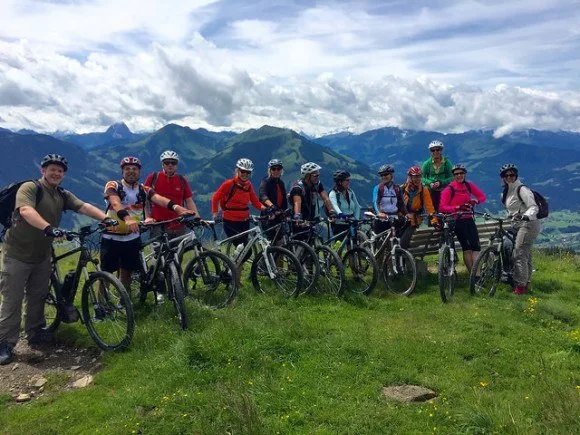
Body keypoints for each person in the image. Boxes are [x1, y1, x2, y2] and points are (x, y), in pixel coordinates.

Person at [0, 154, 117, 365]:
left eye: (60, 171)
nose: (56, 173)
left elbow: (83, 206)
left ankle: (35, 333)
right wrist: (48, 228)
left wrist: (106, 218)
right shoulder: (29, 188)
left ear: (63, 175)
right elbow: (25, 210)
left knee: (38, 295)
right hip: (17, 253)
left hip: (42, 254)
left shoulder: (62, 194)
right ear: (43, 170)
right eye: (52, 169)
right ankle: (5, 343)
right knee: (12, 298)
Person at [102, 156, 193, 301]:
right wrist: (127, 218)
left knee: (126, 272)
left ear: (139, 172)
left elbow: (158, 198)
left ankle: (124, 302)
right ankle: (100, 306)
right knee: (106, 273)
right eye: (127, 169)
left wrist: (177, 208)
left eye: (134, 169)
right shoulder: (114, 185)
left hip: (132, 237)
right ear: (122, 171)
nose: (131, 171)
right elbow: (115, 203)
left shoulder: (143, 189)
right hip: (111, 236)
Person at [212, 158, 267, 281]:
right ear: (237, 171)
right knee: (244, 251)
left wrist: (266, 209)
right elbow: (215, 197)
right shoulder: (229, 184)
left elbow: (255, 201)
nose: (245, 174)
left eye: (248, 172)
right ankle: (232, 273)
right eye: (243, 171)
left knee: (244, 250)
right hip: (230, 221)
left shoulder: (248, 185)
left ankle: (235, 278)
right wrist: (215, 214)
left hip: (244, 221)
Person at [499, 163, 541, 295]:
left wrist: (525, 216)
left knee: (519, 254)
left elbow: (533, 207)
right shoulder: (507, 190)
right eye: (506, 175)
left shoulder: (521, 189)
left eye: (511, 174)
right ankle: (525, 281)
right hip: (516, 225)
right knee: (524, 254)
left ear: (516, 175)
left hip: (528, 224)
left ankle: (520, 287)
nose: (509, 177)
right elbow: (512, 209)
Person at [438, 164, 486, 272]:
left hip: (469, 218)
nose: (459, 175)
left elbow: (482, 196)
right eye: (456, 174)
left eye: (461, 173)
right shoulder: (450, 189)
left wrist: (475, 201)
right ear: (453, 175)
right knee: (467, 247)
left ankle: (476, 275)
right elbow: (442, 207)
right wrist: (457, 208)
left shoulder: (468, 186)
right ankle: (473, 275)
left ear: (464, 174)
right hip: (457, 220)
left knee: (476, 247)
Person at [143, 150, 200, 239]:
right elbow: (144, 199)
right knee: (160, 252)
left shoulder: (182, 180)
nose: (170, 165)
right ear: (162, 164)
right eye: (167, 162)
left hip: (179, 224)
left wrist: (197, 217)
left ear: (176, 165)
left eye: (173, 163)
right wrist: (147, 217)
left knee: (179, 251)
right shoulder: (153, 177)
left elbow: (189, 200)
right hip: (158, 224)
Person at [289, 162, 337, 239]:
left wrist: (331, 211)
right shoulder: (298, 187)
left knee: (313, 242)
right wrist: (298, 217)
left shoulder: (317, 184)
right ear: (307, 176)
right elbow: (297, 202)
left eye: (318, 175)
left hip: (312, 219)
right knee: (301, 246)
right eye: (315, 175)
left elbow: (325, 198)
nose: (318, 177)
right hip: (300, 221)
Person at [399, 166, 438, 249]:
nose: (418, 179)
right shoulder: (403, 188)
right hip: (401, 220)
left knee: (403, 243)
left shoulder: (424, 190)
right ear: (410, 177)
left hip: (413, 222)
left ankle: (402, 260)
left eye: (419, 176)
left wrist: (434, 219)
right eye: (415, 177)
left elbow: (429, 206)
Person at [258, 159, 288, 244]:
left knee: (283, 242)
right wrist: (271, 206)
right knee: (274, 242)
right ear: (269, 170)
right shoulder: (265, 182)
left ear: (281, 170)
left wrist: (285, 211)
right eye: (273, 169)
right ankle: (268, 256)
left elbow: (284, 199)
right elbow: (263, 196)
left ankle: (277, 257)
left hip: (279, 216)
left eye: (278, 169)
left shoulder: (281, 183)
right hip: (268, 216)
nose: (276, 171)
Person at [371, 164, 406, 234]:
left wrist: (406, 214)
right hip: (381, 219)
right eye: (381, 175)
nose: (383, 177)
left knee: (398, 239)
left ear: (391, 175)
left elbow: (401, 203)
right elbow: (375, 202)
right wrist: (379, 213)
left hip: (394, 219)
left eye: (386, 174)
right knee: (379, 242)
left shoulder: (397, 188)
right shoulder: (378, 188)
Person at [421, 140, 454, 211]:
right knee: (431, 211)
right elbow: (421, 177)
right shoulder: (427, 163)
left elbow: (452, 177)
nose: (435, 152)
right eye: (433, 150)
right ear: (430, 152)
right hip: (430, 191)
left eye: (437, 149)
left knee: (444, 210)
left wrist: (441, 182)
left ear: (441, 150)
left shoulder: (446, 163)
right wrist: (430, 183)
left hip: (444, 190)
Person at [328, 170, 361, 238]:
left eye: (349, 180)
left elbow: (357, 206)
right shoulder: (333, 193)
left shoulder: (350, 192)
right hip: (339, 224)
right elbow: (334, 205)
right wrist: (340, 214)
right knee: (339, 244)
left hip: (351, 222)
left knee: (354, 246)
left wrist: (356, 220)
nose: (349, 182)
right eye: (347, 180)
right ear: (340, 182)